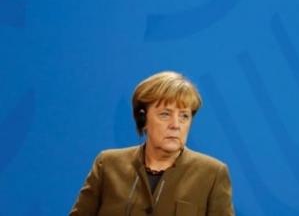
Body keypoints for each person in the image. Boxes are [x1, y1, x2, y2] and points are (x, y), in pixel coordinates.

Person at [69, 71, 235, 216]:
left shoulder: (212, 174)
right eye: (165, 114)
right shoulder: (107, 164)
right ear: (143, 119)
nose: (176, 125)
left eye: (184, 116)